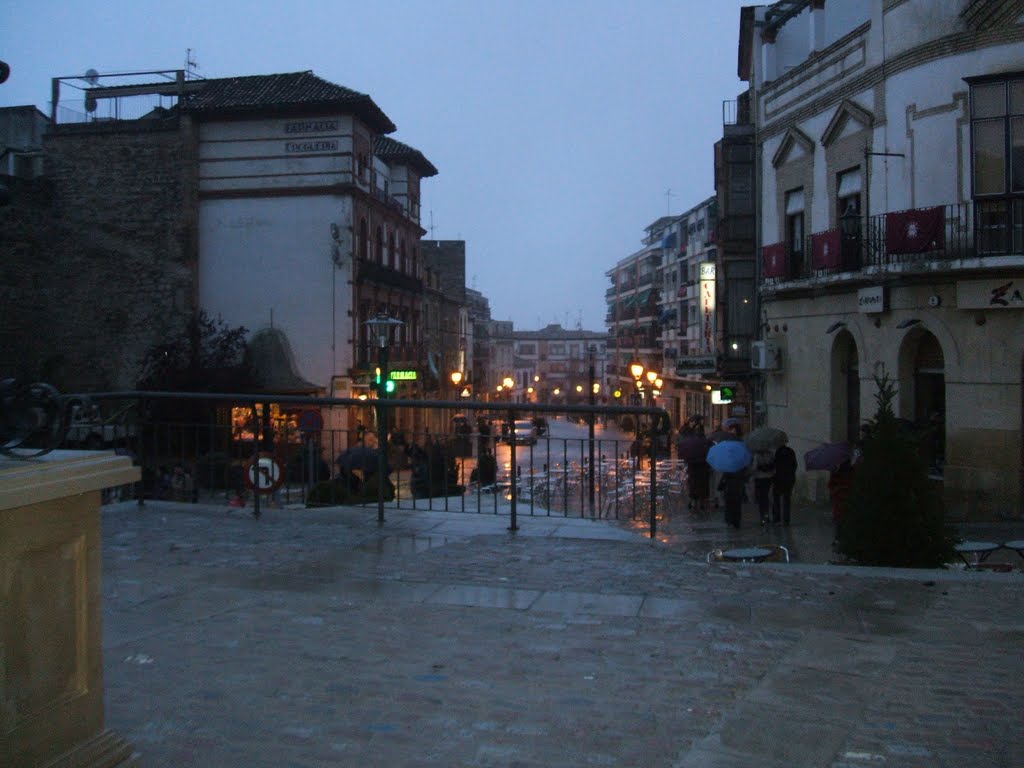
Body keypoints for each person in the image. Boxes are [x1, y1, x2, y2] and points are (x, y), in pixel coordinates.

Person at [771, 441, 797, 526]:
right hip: (789, 479)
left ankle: (777, 519)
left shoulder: (777, 453)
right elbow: (795, 465)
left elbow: (774, 465)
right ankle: (786, 520)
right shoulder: (791, 451)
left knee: (776, 500)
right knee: (787, 500)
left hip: (778, 479)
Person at [752, 449, 775, 527]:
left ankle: (763, 517)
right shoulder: (770, 454)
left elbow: (754, 468)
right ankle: (767, 515)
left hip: (759, 478)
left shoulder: (757, 455)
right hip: (768, 478)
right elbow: (773, 466)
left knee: (761, 498)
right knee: (765, 496)